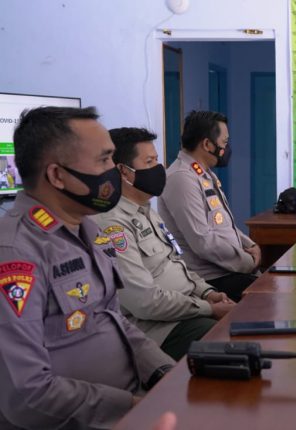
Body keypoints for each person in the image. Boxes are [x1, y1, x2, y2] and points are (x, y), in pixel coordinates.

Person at [0, 106, 174, 428]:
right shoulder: (14, 254)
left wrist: (168, 374)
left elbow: (115, 321)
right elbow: (26, 395)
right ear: (57, 175)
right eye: (104, 160)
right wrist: (132, 408)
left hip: (133, 398)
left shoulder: (89, 229)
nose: (114, 171)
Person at [92, 127, 236, 360]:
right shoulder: (112, 225)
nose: (158, 169)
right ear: (123, 171)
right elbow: (143, 302)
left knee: (244, 326)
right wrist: (208, 308)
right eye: (149, 162)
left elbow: (177, 264)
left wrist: (208, 293)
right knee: (229, 343)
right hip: (158, 329)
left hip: (188, 309)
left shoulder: (147, 211)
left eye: (157, 160)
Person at [158, 111, 260, 302]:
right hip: (210, 280)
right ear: (207, 144)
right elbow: (202, 241)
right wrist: (247, 262)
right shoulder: (182, 178)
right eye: (224, 142)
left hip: (228, 270)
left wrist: (249, 244)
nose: (226, 148)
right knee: (270, 297)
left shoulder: (204, 174)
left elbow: (224, 224)